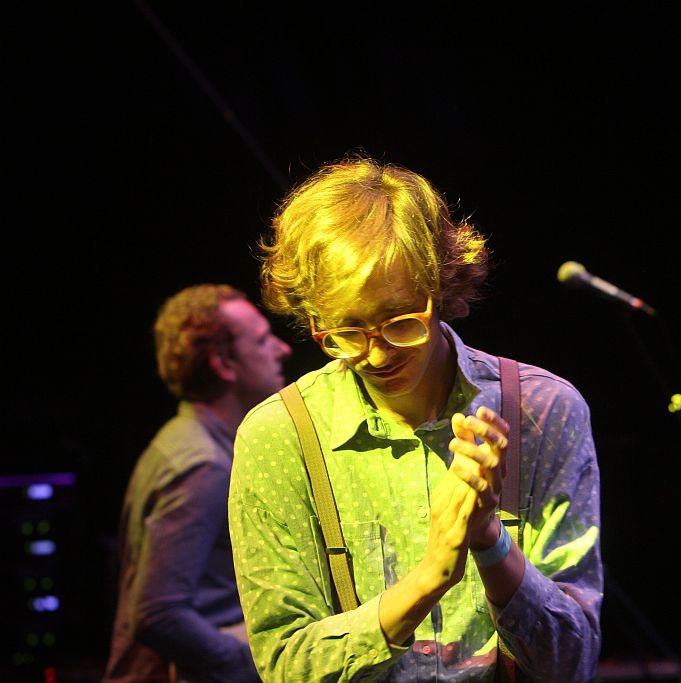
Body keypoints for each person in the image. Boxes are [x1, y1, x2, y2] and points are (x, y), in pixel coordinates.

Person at [227, 157, 603, 681]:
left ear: (441, 285)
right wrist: (428, 579)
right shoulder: (280, 436)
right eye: (347, 330)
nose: (378, 354)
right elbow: (287, 666)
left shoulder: (542, 412)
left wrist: (491, 543)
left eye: (400, 320)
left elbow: (572, 661)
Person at [103, 284, 292, 683]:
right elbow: (158, 613)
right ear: (223, 363)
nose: (282, 348)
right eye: (261, 340)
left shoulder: (185, 441)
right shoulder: (202, 464)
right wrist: (257, 660)